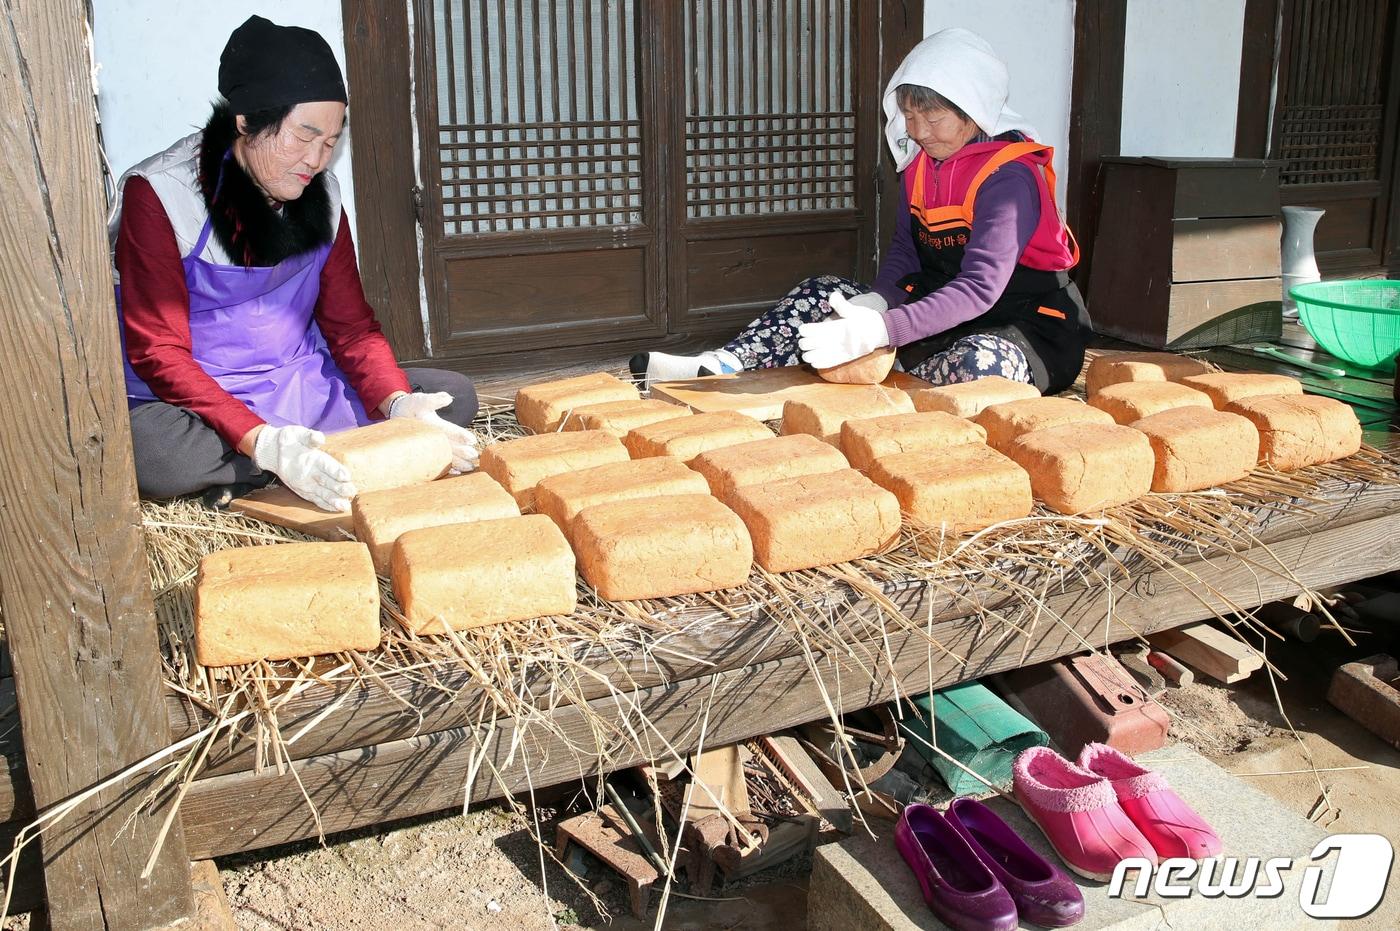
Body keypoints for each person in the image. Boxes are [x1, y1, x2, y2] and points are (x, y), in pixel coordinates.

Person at [112, 15, 479, 512]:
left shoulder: (320, 195)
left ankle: (289, 462)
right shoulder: (161, 193)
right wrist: (261, 440)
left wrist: (398, 403)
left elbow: (351, 328)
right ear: (245, 120)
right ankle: (290, 456)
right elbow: (158, 349)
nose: (316, 160)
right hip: (197, 396)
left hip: (296, 379)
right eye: (303, 136)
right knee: (151, 456)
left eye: (330, 143)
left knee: (452, 397)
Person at [633, 28, 1091, 396]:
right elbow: (904, 257)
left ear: (974, 113)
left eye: (934, 119)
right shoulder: (919, 166)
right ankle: (718, 366)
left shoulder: (1009, 177)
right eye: (910, 115)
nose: (918, 131)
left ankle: (892, 390)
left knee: (976, 364)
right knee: (823, 294)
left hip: (1025, 326)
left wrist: (881, 329)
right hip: (937, 315)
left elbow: (978, 288)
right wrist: (873, 303)